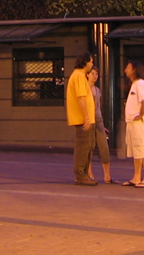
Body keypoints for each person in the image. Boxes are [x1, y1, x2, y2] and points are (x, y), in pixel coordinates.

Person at [65, 52, 97, 186]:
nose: (92, 64)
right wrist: (86, 117)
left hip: (86, 119)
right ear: (85, 62)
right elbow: (81, 98)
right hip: (82, 119)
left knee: (89, 146)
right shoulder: (78, 76)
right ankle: (80, 174)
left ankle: (84, 173)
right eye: (90, 61)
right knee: (83, 146)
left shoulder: (81, 76)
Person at [122, 60, 144, 188]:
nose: (125, 70)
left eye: (128, 67)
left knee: (142, 149)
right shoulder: (134, 84)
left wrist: (141, 114)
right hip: (132, 122)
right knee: (136, 150)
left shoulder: (140, 83)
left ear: (134, 69)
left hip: (138, 122)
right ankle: (136, 177)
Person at [86, 67, 115, 184]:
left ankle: (107, 175)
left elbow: (98, 107)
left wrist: (101, 123)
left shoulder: (97, 90)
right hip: (88, 119)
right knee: (89, 147)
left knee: (104, 147)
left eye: (96, 74)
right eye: (92, 73)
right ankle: (89, 173)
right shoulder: (84, 89)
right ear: (87, 75)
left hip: (98, 119)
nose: (95, 76)